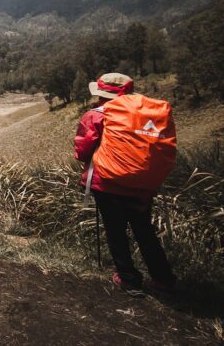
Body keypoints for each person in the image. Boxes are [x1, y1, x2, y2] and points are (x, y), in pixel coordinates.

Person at [74, 72, 176, 296]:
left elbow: (82, 151)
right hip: (142, 185)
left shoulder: (97, 115)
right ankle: (163, 279)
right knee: (144, 230)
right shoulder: (147, 113)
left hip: (108, 183)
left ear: (102, 94)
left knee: (115, 230)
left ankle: (128, 279)